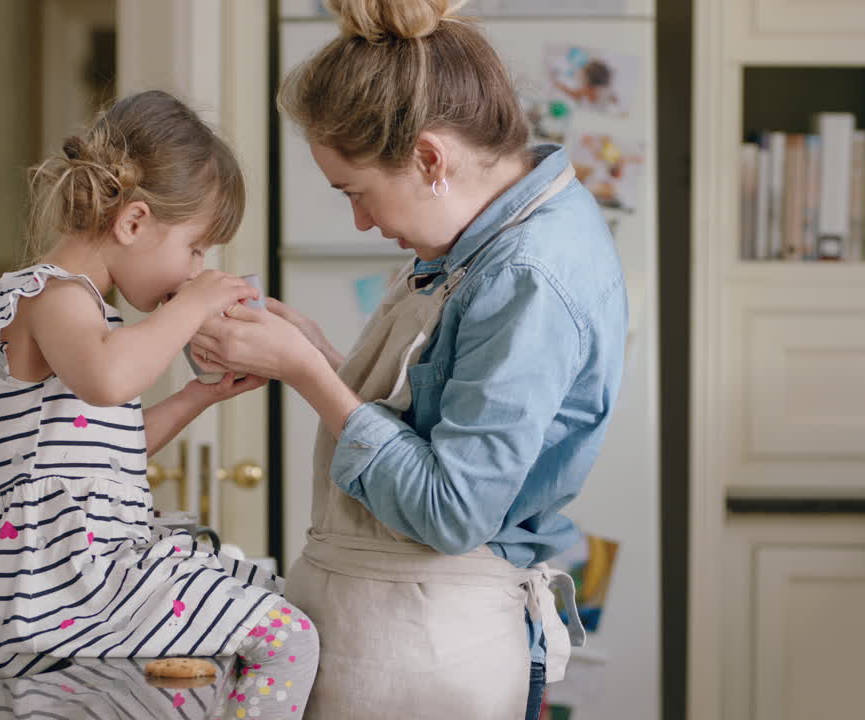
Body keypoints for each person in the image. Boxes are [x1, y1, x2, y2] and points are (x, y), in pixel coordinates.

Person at [190, 2, 627, 718]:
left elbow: (452, 510)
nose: (364, 222)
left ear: (429, 158)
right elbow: (429, 421)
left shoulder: (526, 275)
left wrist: (309, 372)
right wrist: (314, 350)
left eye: (357, 194)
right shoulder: (481, 233)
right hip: (389, 631)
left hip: (430, 652)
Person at [0, 90, 318, 719]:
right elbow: (108, 381)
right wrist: (192, 308)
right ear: (132, 222)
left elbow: (101, 449)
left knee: (262, 604)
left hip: (68, 583)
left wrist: (198, 396)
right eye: (195, 249)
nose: (196, 270)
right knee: (286, 635)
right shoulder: (52, 295)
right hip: (55, 586)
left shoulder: (83, 312)